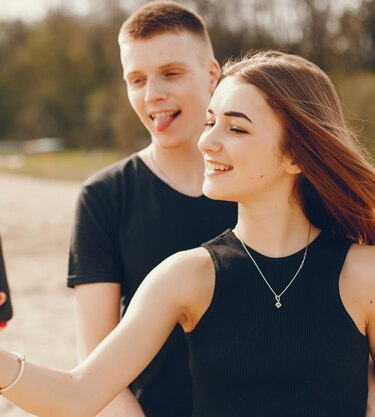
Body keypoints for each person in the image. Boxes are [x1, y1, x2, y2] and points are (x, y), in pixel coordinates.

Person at [0, 50, 375, 416]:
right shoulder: (187, 276)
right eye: (211, 121)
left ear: (296, 154)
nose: (208, 141)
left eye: (236, 127)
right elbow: (79, 394)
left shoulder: (370, 275)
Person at [66, 2, 235, 417]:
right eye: (136, 79)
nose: (152, 94)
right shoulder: (103, 197)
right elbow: (97, 363)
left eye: (171, 73)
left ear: (212, 75)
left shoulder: (267, 184)